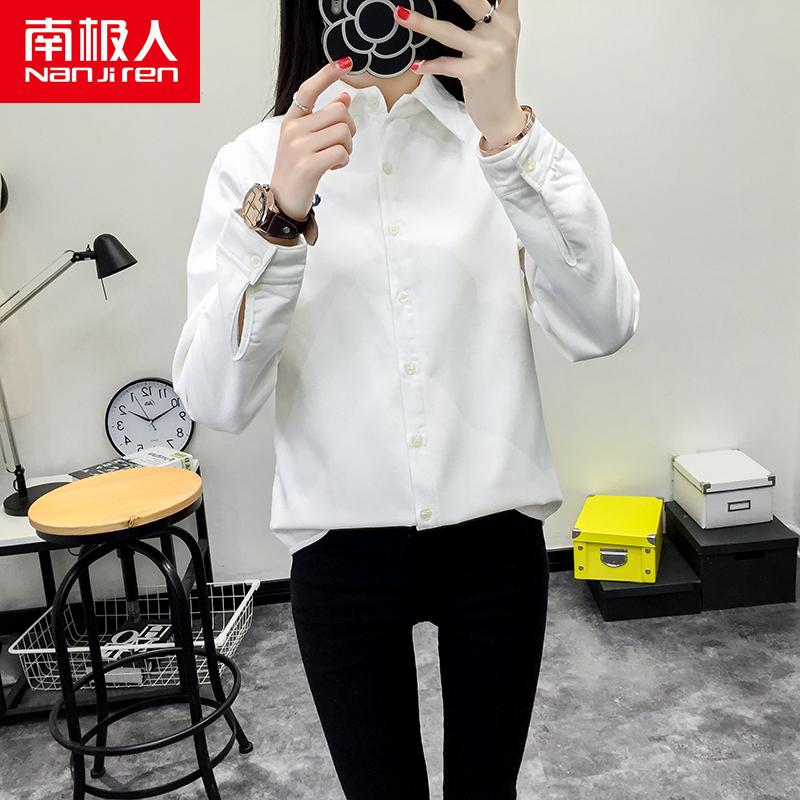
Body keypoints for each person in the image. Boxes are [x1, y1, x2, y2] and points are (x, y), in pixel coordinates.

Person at [172, 1, 640, 797]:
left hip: (495, 541)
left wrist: (510, 138)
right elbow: (216, 399)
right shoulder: (257, 162)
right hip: (340, 551)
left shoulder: (496, 143)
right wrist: (278, 216)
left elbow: (605, 325)